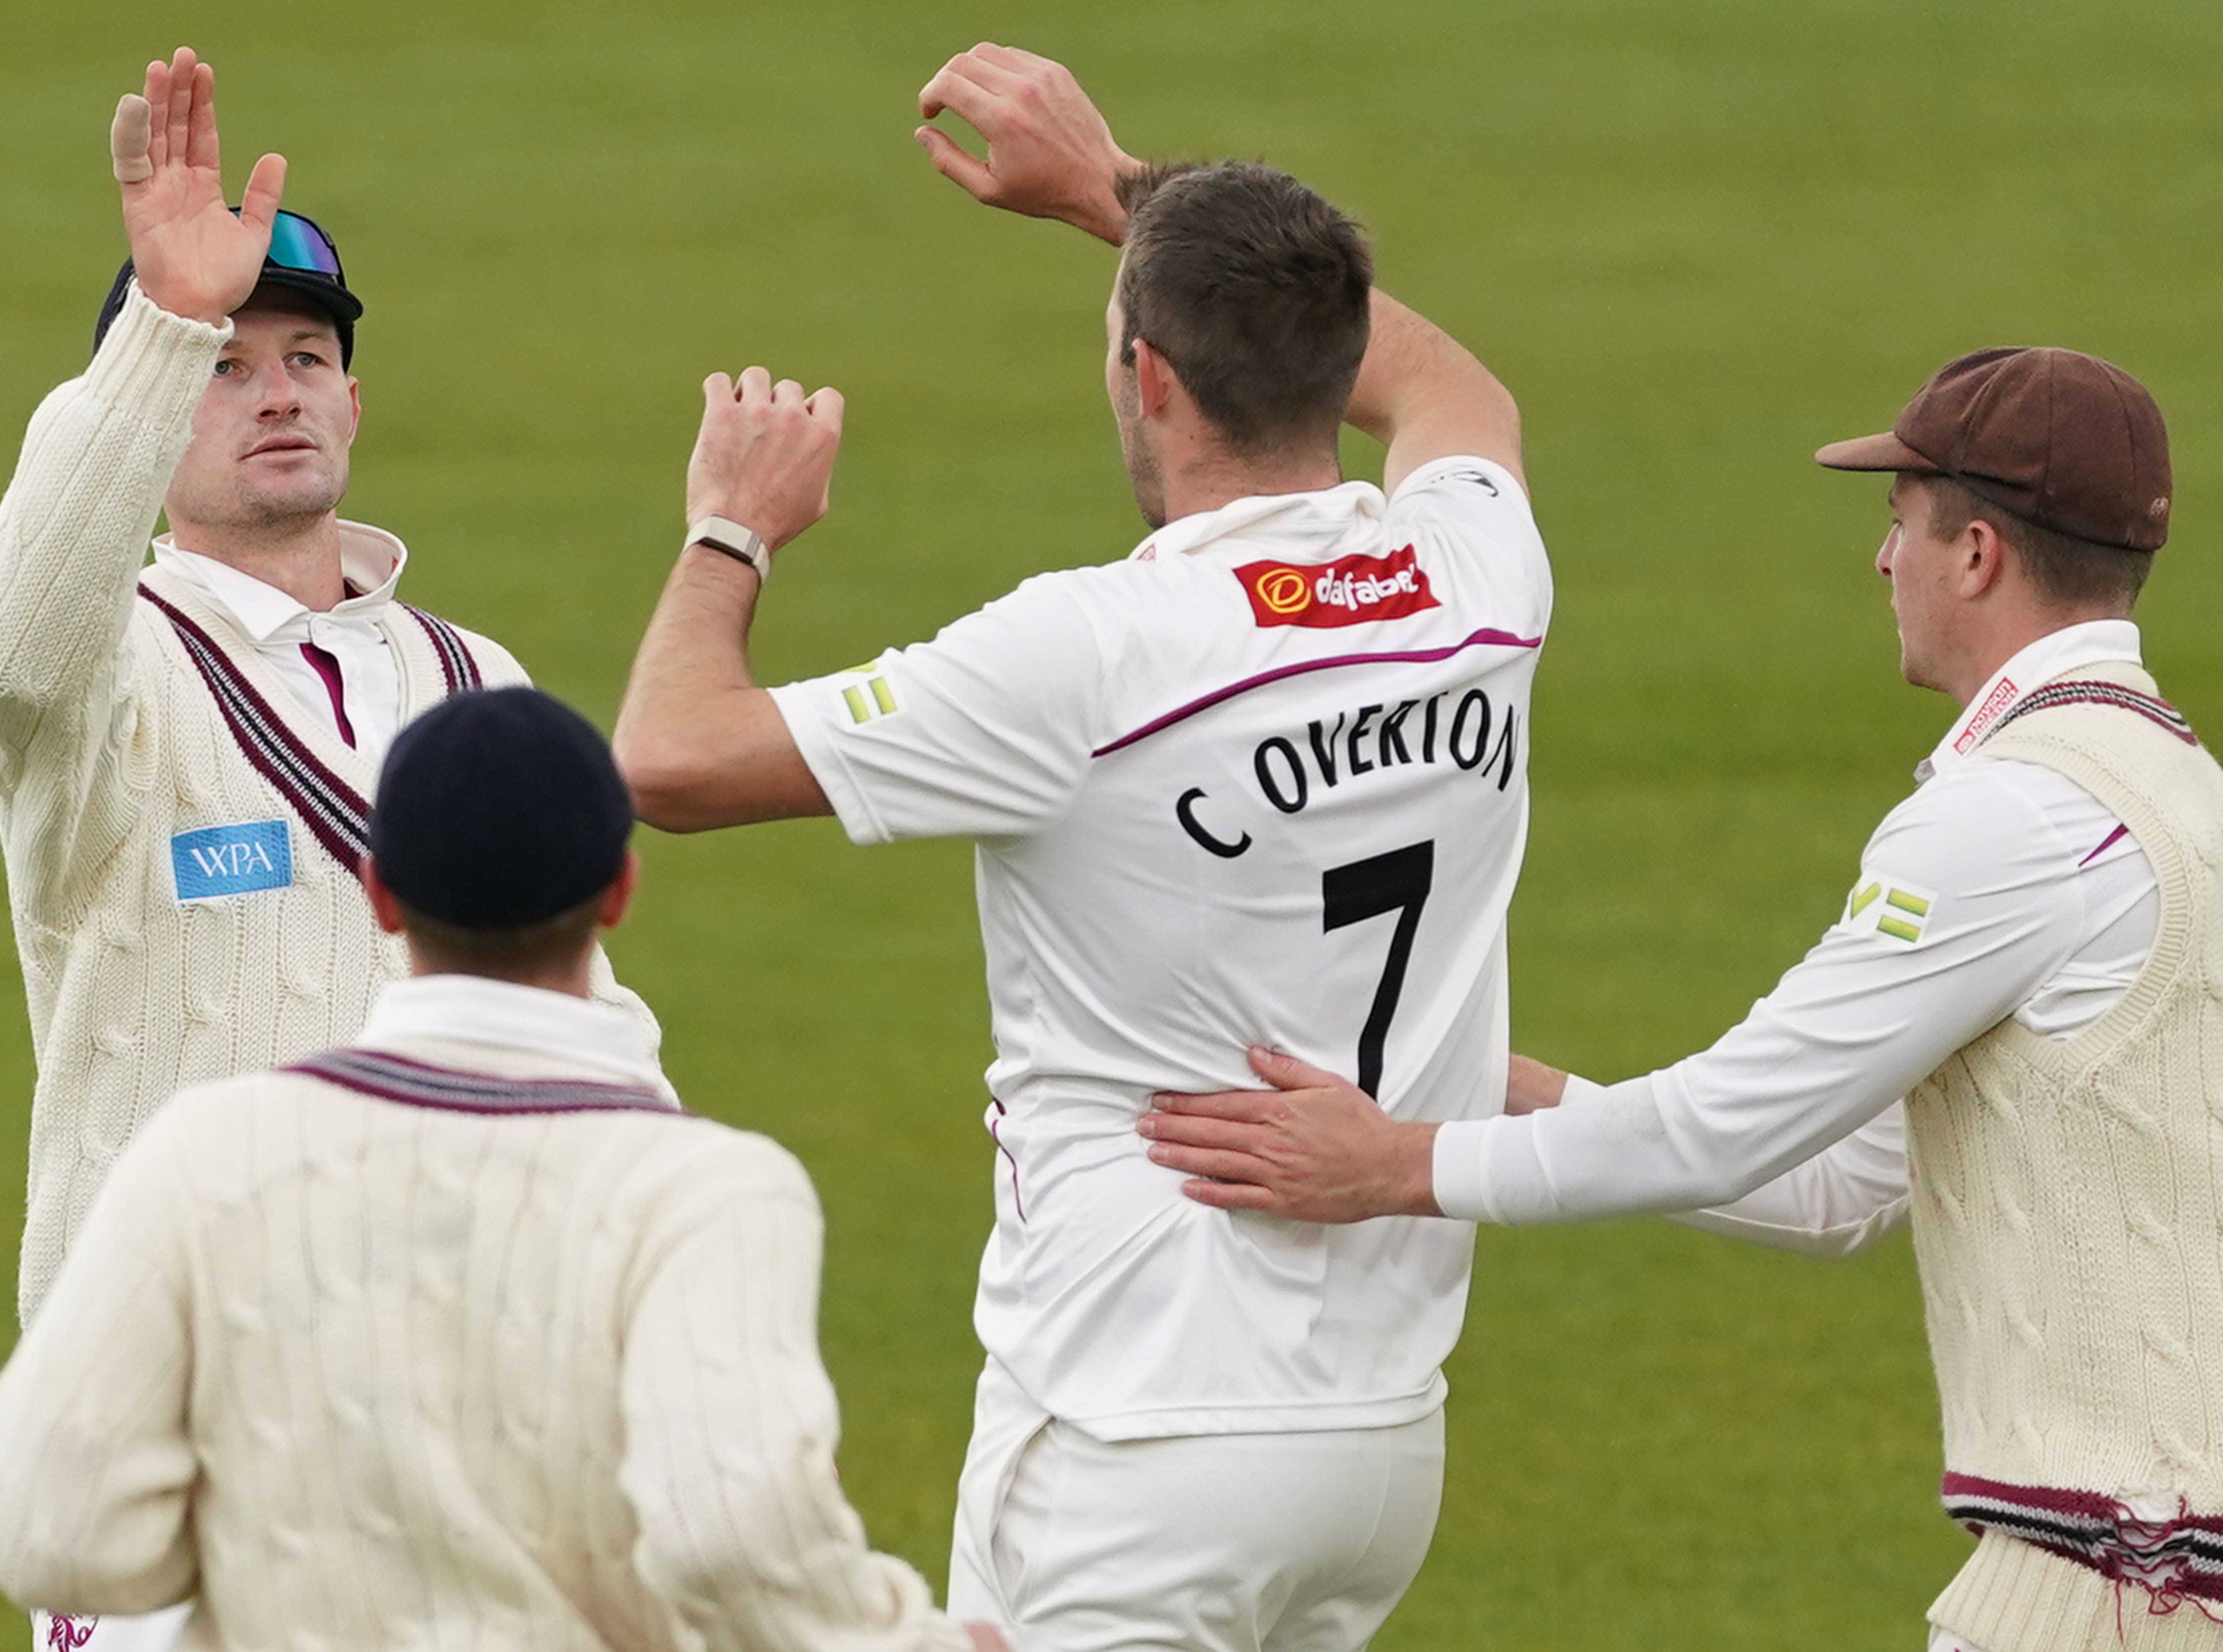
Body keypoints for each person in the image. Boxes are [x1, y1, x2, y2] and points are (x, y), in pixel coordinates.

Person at [1140, 347, 2223, 1651]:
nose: (1880, 562)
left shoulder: (2011, 816)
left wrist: (1403, 1165)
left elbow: (1725, 1122)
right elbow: (1835, 1186)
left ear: (1975, 555)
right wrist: (1481, 1073)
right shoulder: (2181, 788)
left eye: (1896, 524)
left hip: (2141, 1573)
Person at [611, 42, 1554, 1651]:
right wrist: (1126, 200)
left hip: (1141, 1428)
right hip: (1378, 1440)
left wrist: (732, 525)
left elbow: (667, 754)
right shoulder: (1473, 575)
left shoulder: (1089, 651)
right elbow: (1461, 385)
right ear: (1327, 369)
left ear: (1152, 382)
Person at [0, 52, 664, 1651]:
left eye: (304, 356)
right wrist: (162, 324)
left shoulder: (476, 677)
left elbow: (588, 1016)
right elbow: (6, 646)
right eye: (225, 367)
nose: (274, 389)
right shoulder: (106, 677)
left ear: (353, 394)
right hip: (169, 1458)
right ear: (146, 421)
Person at [0, 687, 1002, 1652]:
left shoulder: (205, 1152)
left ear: (379, 893)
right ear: (618, 892)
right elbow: (731, 1537)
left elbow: (51, 1533)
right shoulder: (711, 1192)